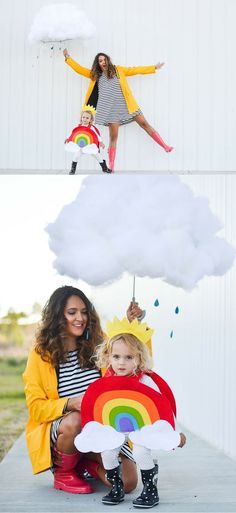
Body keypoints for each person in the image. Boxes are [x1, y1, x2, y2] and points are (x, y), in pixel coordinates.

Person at [23, 287, 143, 495]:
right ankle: (63, 472)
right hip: (66, 429)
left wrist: (133, 325)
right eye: (72, 312)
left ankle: (84, 463)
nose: (80, 318)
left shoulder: (99, 342)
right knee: (76, 419)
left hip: (101, 427)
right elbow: (35, 408)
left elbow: (133, 362)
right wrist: (71, 403)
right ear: (58, 315)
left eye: (84, 311)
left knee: (128, 482)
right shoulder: (41, 354)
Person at [75, 317, 186, 508]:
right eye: (116, 357)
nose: (121, 363)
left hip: (142, 426)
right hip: (115, 426)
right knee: (108, 452)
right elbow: (95, 406)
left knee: (140, 451)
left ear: (139, 358)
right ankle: (116, 488)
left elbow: (161, 406)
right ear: (108, 356)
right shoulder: (106, 382)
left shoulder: (145, 381)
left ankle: (150, 490)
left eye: (129, 357)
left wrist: (173, 434)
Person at [63, 50, 173, 172]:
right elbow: (79, 69)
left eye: (104, 60)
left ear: (108, 60)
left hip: (127, 105)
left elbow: (135, 70)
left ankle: (165, 146)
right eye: (100, 61)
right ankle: (112, 166)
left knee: (144, 124)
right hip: (110, 109)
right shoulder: (95, 75)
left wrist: (154, 67)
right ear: (97, 63)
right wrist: (68, 58)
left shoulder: (119, 70)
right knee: (113, 137)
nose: (103, 62)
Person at [65, 105, 111, 174]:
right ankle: (72, 170)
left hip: (89, 146)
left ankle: (105, 168)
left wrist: (101, 142)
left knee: (98, 156)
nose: (85, 119)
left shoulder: (91, 127)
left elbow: (97, 135)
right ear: (81, 118)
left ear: (90, 119)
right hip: (80, 146)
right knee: (76, 156)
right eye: (83, 117)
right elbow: (73, 133)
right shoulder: (78, 126)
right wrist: (68, 138)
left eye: (87, 118)